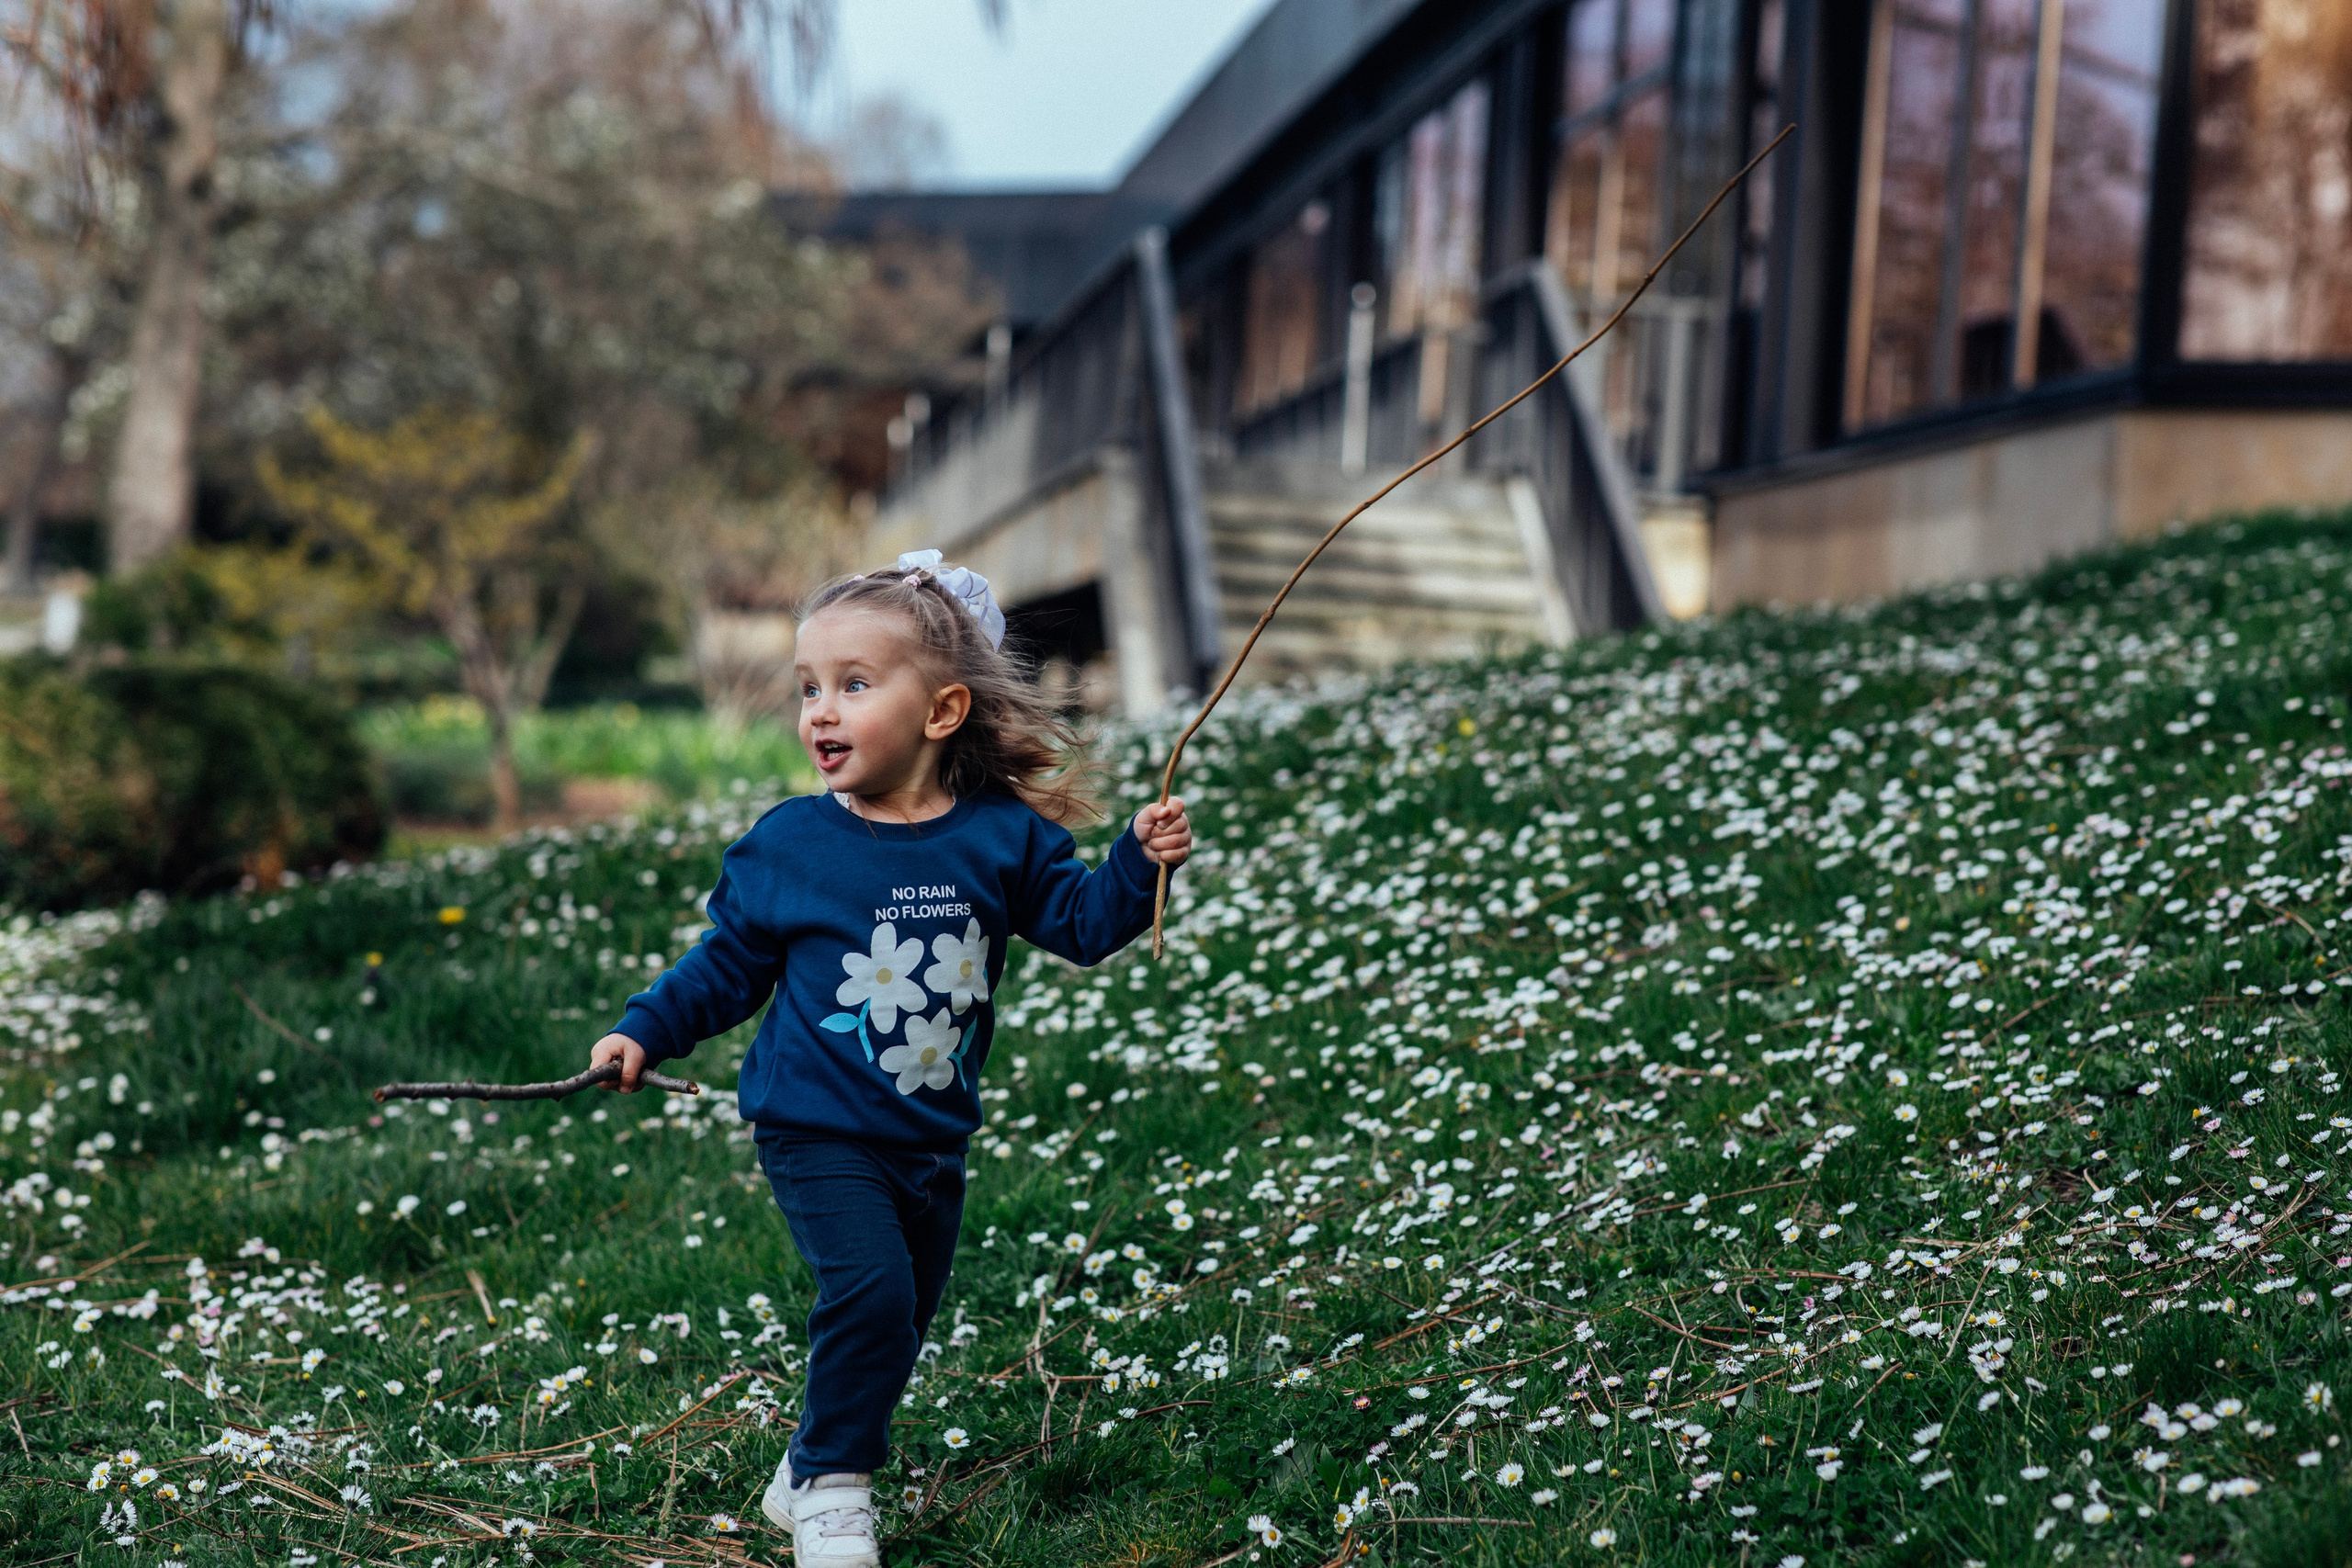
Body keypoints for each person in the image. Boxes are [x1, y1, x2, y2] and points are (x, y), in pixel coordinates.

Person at [585, 549, 1191, 1566]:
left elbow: (1084, 925)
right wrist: (646, 1027)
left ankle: (806, 1462)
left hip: (930, 1133)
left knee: (901, 1318)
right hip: (815, 1125)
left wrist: (1136, 861)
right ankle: (832, 1496)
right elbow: (727, 964)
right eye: (808, 688)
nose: (820, 711)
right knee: (867, 1293)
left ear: (943, 710)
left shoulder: (1001, 838)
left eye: (854, 686)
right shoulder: (790, 846)